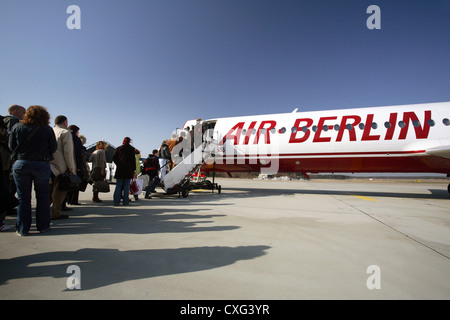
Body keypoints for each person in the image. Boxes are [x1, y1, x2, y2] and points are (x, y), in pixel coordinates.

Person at [8, 105, 57, 235]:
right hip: (41, 164)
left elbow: (11, 146)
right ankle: (43, 226)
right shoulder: (47, 129)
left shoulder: (17, 127)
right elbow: (53, 147)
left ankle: (23, 229)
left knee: (23, 198)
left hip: (21, 163)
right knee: (42, 197)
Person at [49, 115, 76, 220]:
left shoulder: (50, 131)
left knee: (48, 190)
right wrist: (71, 167)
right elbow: (68, 152)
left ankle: (43, 211)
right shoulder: (65, 132)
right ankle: (56, 212)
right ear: (65, 122)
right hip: (60, 165)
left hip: (47, 164)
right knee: (59, 191)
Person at [112, 137, 136, 205]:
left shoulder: (119, 148)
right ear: (129, 141)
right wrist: (134, 170)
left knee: (118, 186)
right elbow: (133, 161)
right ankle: (125, 201)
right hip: (128, 170)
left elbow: (114, 157)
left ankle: (116, 201)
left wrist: (118, 164)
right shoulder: (131, 149)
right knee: (126, 186)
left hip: (120, 169)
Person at [66, 125, 85, 206]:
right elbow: (78, 153)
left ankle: (67, 200)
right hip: (74, 163)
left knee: (66, 183)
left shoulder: (68, 136)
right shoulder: (76, 139)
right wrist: (78, 166)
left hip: (66, 162)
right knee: (75, 182)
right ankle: (74, 200)